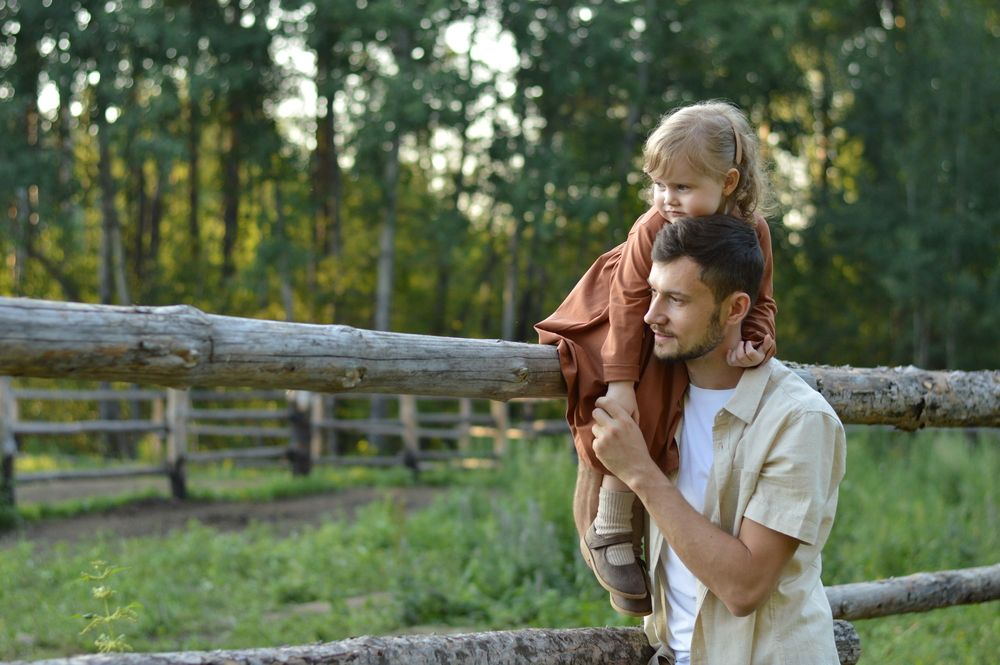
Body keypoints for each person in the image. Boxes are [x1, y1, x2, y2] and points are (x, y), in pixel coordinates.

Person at [535, 100, 777, 614]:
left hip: (683, 320)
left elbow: (761, 297)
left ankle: (671, 523)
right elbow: (627, 304)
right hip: (623, 311)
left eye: (682, 188)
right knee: (642, 391)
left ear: (729, 183)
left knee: (684, 388)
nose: (666, 199)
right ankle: (612, 519)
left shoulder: (752, 231)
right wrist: (618, 380)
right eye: (659, 185)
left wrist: (755, 336)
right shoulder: (653, 226)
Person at [592, 214, 846, 665]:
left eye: (677, 299)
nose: (652, 315)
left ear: (734, 309)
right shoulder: (656, 405)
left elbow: (744, 587)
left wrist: (639, 471)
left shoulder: (798, 419)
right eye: (653, 292)